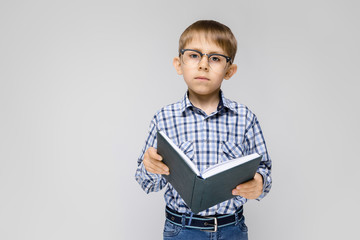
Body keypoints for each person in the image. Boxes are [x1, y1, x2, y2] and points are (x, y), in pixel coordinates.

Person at [135, 20, 272, 240]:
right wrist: (150, 165)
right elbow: (146, 183)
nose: (203, 65)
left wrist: (259, 184)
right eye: (194, 55)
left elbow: (264, 168)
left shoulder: (245, 118)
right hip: (181, 230)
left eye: (215, 58)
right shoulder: (164, 119)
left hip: (232, 229)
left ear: (230, 70)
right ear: (179, 64)